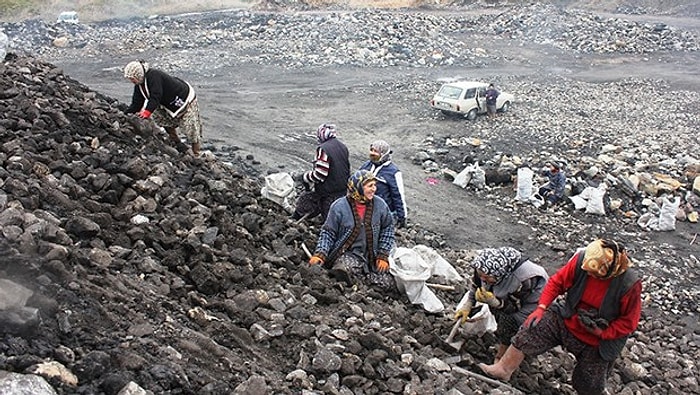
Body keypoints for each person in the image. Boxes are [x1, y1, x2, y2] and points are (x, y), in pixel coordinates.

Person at [478, 239, 642, 395]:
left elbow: (629, 322)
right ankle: (504, 368)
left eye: (594, 274)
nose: (590, 276)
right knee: (533, 327)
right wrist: (541, 308)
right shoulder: (582, 261)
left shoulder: (629, 284)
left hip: (598, 338)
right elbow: (557, 282)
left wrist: (603, 333)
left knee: (589, 383)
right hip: (570, 318)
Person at [454, 247, 549, 363]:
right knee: (498, 313)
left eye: (488, 277)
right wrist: (468, 305)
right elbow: (477, 284)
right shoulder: (483, 268)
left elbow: (515, 307)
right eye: (481, 275)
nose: (483, 279)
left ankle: (503, 356)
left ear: (499, 274)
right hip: (508, 297)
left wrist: (495, 302)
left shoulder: (524, 279)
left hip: (534, 303)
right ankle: (506, 339)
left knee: (510, 321)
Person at [308, 170, 396, 291]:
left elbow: (388, 229)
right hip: (349, 254)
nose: (374, 189)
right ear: (358, 187)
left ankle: (363, 283)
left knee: (389, 284)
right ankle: (356, 286)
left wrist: (383, 255)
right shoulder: (339, 207)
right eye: (370, 186)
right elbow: (328, 232)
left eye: (375, 185)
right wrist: (320, 254)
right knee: (343, 269)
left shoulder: (380, 205)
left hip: (372, 258)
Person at [123, 60, 203, 156]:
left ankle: (196, 153)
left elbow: (156, 96)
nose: (131, 81)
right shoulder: (139, 85)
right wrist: (125, 115)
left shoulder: (154, 76)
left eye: (132, 78)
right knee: (161, 118)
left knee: (190, 126)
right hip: (165, 101)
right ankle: (176, 141)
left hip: (183, 98)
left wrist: (146, 112)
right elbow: (137, 103)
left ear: (138, 75)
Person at [292, 124, 351, 222]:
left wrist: (304, 177)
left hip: (329, 192)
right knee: (339, 217)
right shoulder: (342, 146)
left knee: (330, 220)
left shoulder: (323, 149)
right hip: (343, 190)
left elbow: (320, 174)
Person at [359, 140, 408, 228]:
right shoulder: (366, 166)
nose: (372, 153)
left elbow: (398, 195)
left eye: (375, 151)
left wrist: (402, 216)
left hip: (383, 213)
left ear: (384, 154)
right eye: (371, 150)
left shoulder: (393, 172)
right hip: (364, 209)